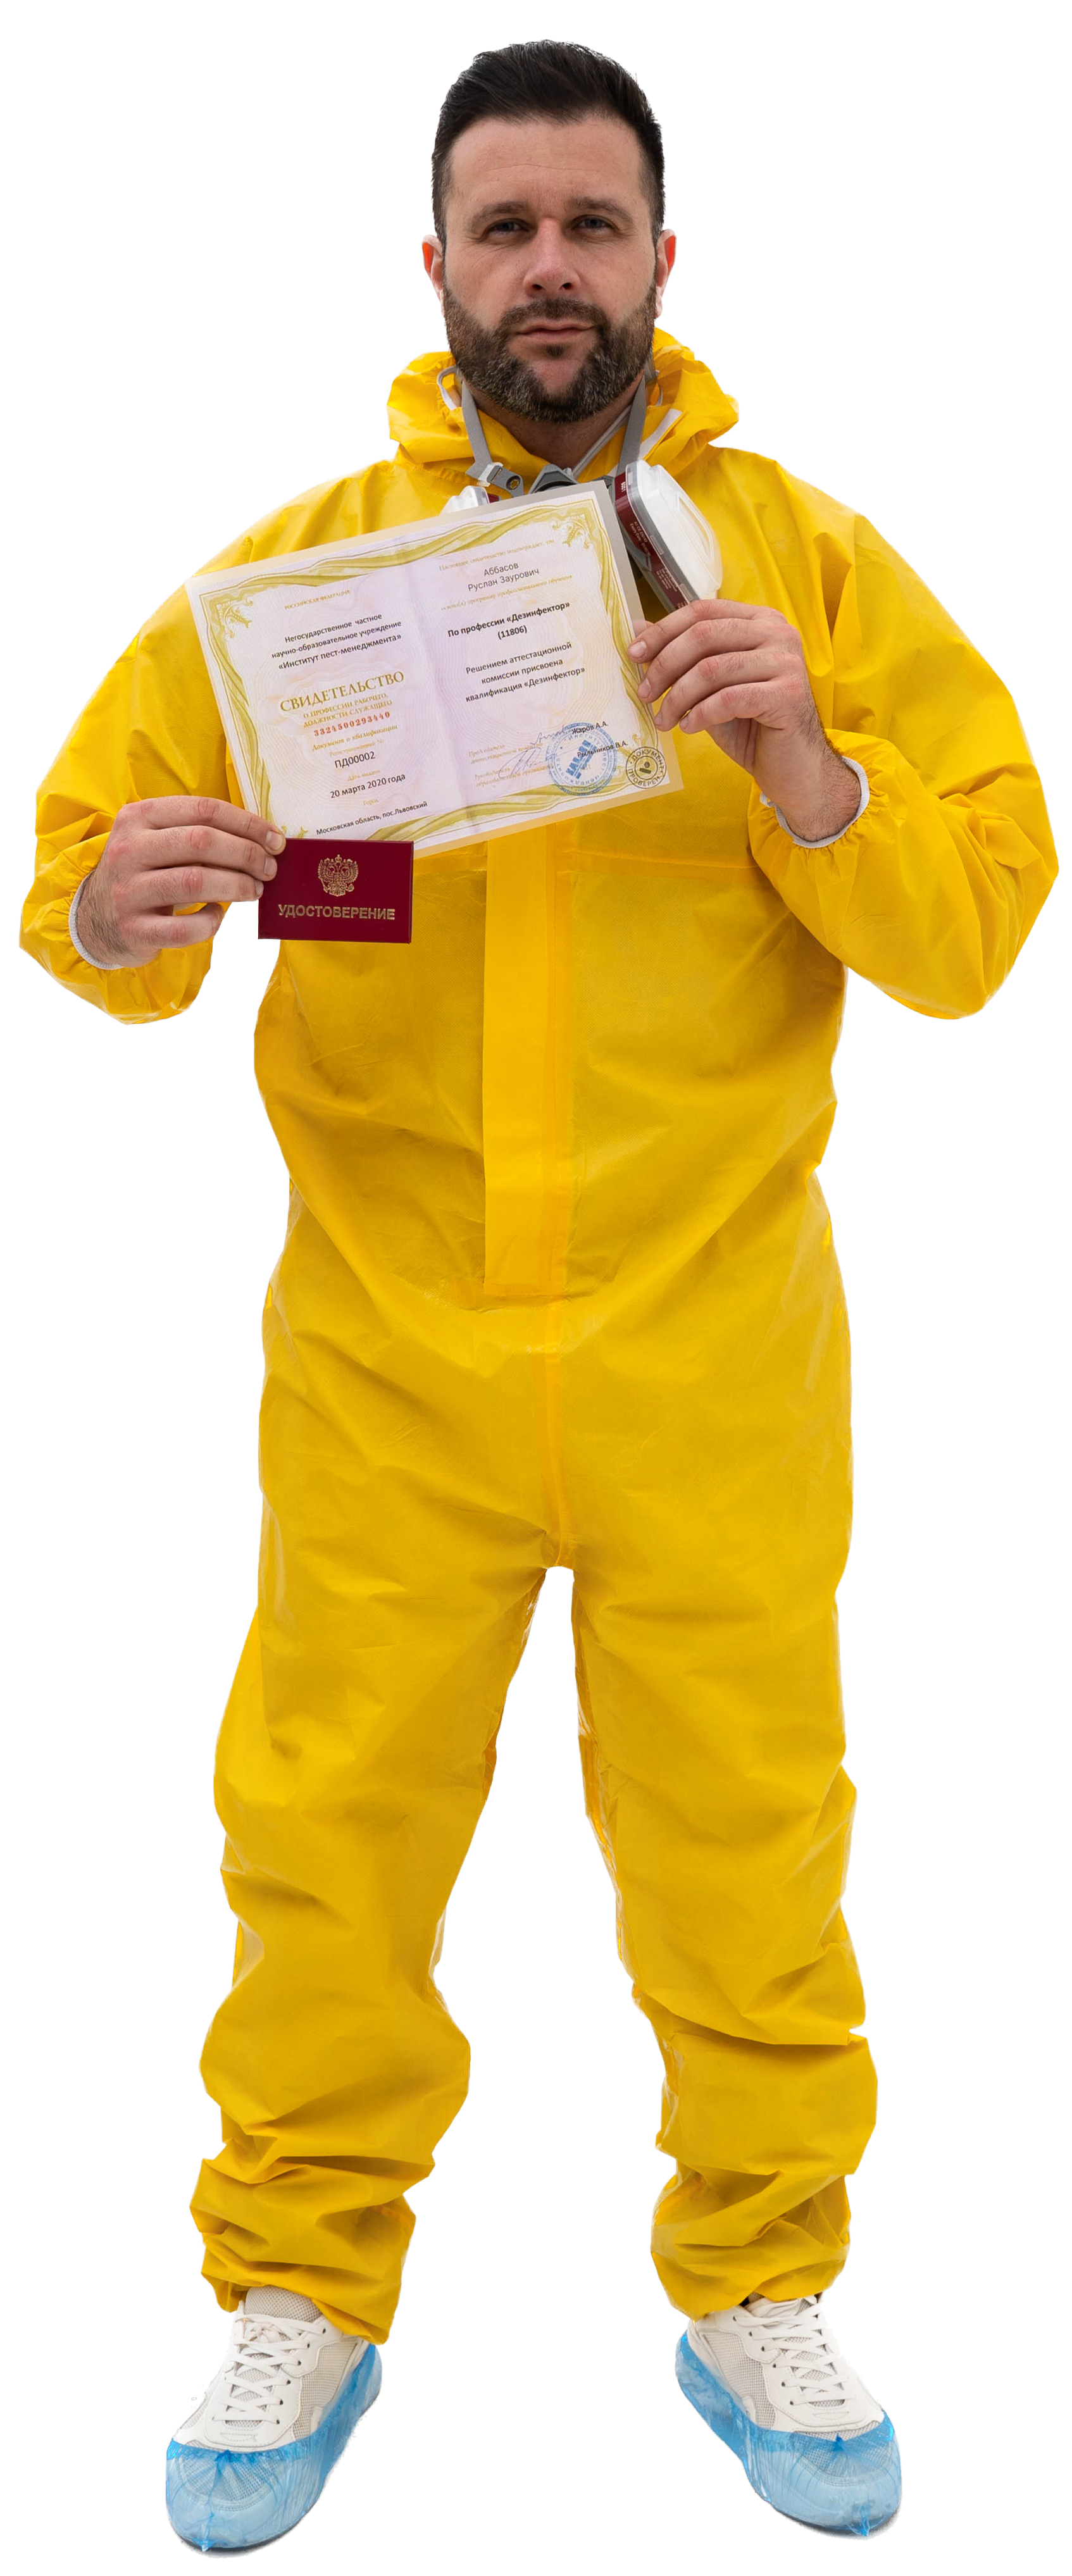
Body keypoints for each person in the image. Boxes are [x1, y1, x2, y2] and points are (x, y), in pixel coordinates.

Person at [23, 39, 1056, 2557]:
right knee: (327, 1834)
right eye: (506, 228)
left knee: (748, 1838)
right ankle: (302, 2282)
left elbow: (975, 925)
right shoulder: (288, 591)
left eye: (595, 224)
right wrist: (121, 913)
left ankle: (761, 2278)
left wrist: (807, 769)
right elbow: (88, 886)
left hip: (715, 1348)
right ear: (435, 270)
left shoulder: (809, 566)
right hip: (386, 1362)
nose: (551, 270)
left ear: (666, 262)